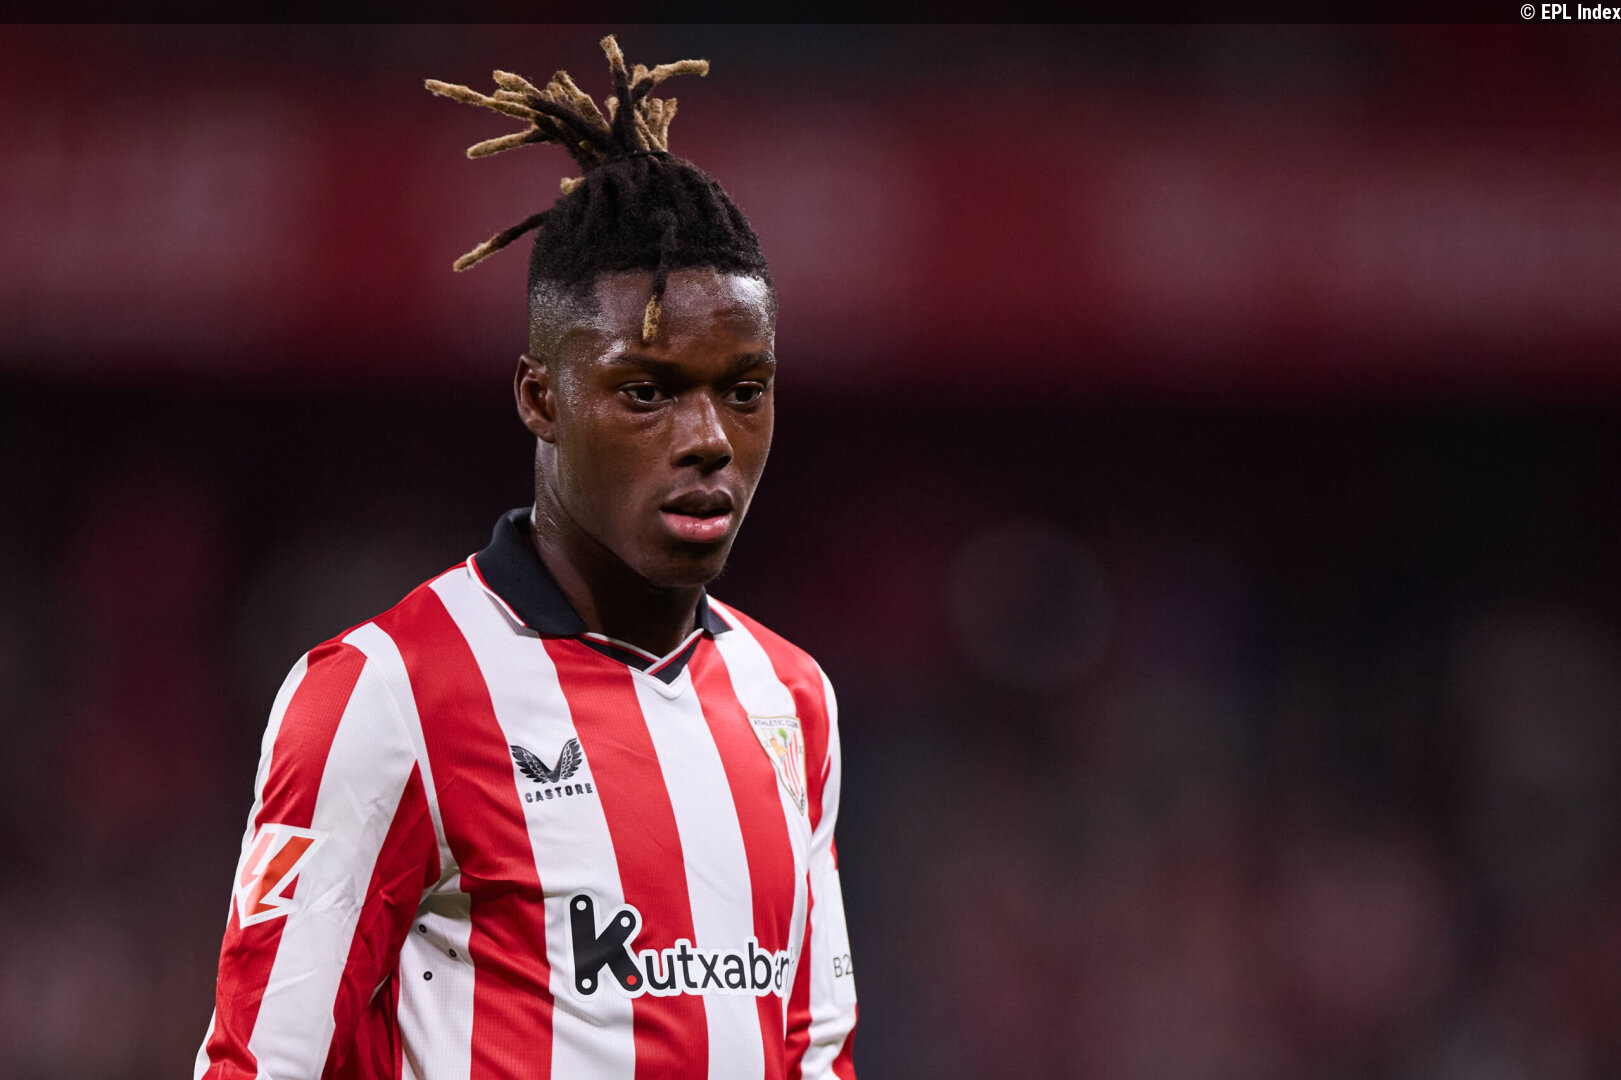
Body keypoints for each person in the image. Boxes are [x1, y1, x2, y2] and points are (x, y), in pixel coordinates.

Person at [195, 36, 857, 1080]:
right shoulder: (387, 695)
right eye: (647, 391)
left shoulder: (792, 701)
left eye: (743, 391)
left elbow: (816, 1057)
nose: (708, 439)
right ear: (542, 398)